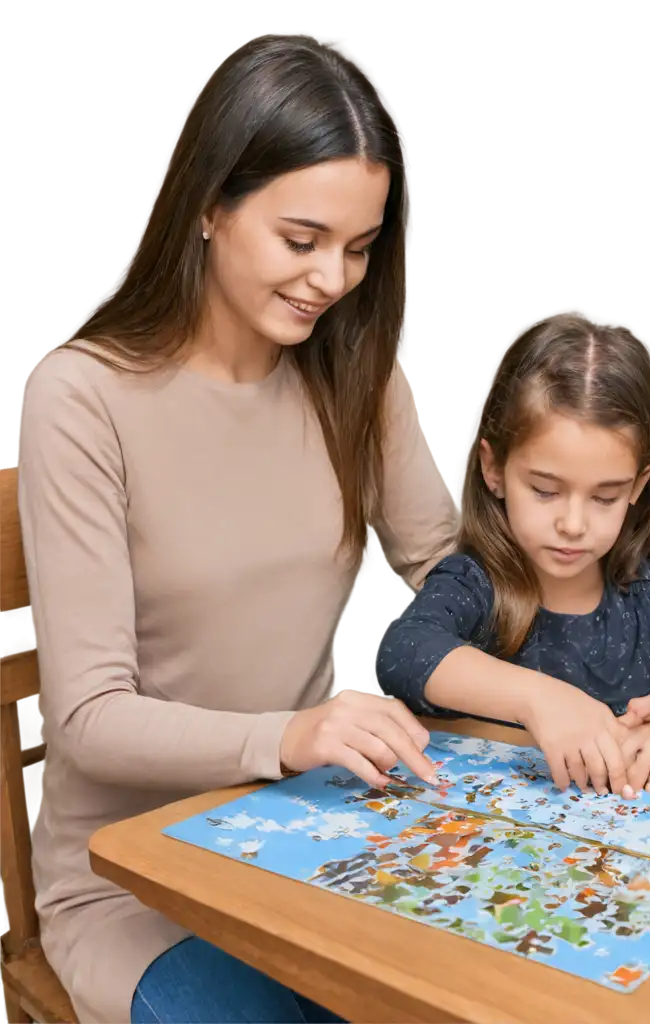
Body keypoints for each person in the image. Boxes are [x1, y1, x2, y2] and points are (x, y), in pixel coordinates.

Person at [17, 36, 457, 1024]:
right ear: (211, 207)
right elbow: (87, 718)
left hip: (308, 835)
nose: (331, 279)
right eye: (301, 240)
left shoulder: (357, 378)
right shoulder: (83, 397)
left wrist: (565, 684)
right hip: (131, 882)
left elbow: (450, 575)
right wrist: (296, 733)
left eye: (358, 247)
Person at [372, 317, 650, 799]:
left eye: (604, 498)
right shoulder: (474, 583)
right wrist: (539, 699)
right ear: (493, 469)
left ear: (639, 487)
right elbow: (403, 652)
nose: (574, 524)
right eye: (544, 490)